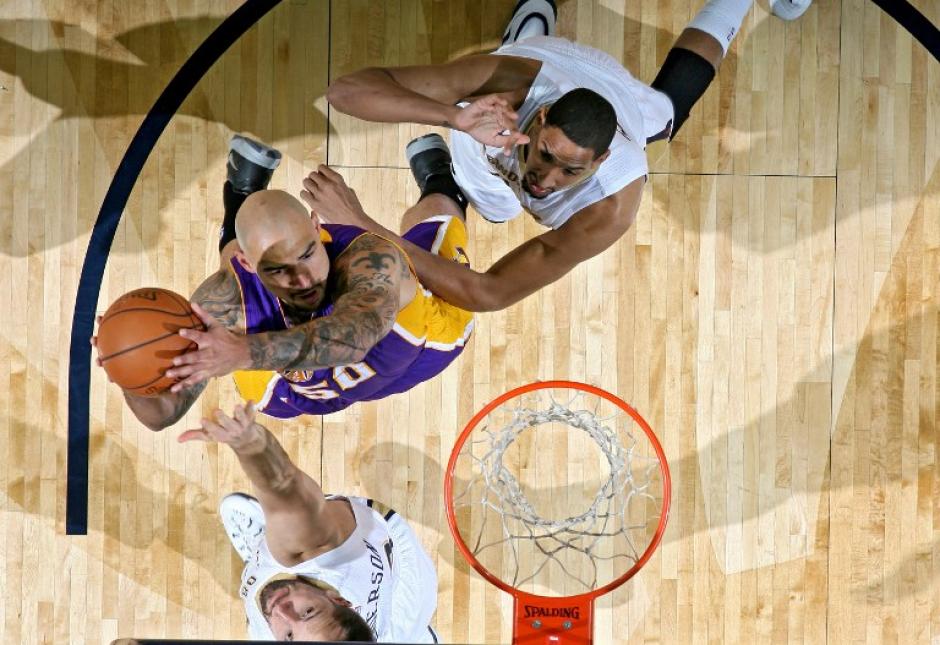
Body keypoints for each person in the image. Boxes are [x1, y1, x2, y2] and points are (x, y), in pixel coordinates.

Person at [322, 0, 813, 312]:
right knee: (497, 205)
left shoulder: (612, 204)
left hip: (609, 87)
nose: (545, 178)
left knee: (666, 111)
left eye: (570, 170)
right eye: (546, 153)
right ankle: (527, 32)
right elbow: (346, 90)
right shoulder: (507, 86)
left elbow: (489, 293)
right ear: (537, 123)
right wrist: (448, 116)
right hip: (538, 67)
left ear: (599, 163)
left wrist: (364, 223)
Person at [94, 135, 474, 430]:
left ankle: (441, 181)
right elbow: (160, 414)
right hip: (288, 392)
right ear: (250, 262)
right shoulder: (223, 299)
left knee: (437, 232)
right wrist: (127, 363)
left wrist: (243, 352)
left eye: (307, 253)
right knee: (235, 293)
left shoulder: (372, 260)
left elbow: (355, 337)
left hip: (416, 351)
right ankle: (241, 201)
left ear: (316, 226)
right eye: (278, 269)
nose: (302, 278)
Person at [180, 401, 438, 642]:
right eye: (308, 612)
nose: (282, 611)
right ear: (337, 599)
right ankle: (269, 541)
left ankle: (268, 547)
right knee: (289, 530)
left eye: (289, 636)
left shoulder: (270, 631)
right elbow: (284, 486)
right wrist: (249, 443)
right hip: (400, 586)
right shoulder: (321, 550)